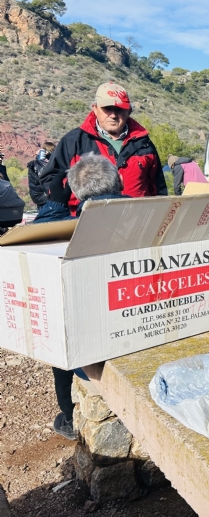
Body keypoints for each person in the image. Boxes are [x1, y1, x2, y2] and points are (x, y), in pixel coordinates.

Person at [31, 154, 127, 439]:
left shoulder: (69, 230)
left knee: (60, 341)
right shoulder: (143, 217)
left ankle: (68, 417)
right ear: (119, 181)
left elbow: (32, 241)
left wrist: (55, 203)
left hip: (95, 361)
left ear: (74, 192)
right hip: (147, 337)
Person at [39, 82, 167, 213]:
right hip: (88, 221)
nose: (113, 115)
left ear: (129, 111)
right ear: (94, 108)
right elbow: (51, 181)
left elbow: (157, 187)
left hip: (135, 220)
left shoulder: (143, 142)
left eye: (119, 109)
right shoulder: (73, 141)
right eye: (107, 108)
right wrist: (79, 201)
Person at [27, 141, 55, 208]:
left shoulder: (39, 163)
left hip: (41, 196)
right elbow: (45, 178)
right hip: (43, 196)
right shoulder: (40, 164)